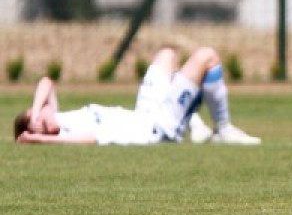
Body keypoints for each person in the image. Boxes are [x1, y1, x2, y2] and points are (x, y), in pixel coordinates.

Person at [13, 46, 260, 145]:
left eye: (40, 111)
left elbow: (46, 82)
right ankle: (223, 128)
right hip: (160, 126)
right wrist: (40, 139)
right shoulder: (65, 134)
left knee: (166, 55)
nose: (44, 113)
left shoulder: (60, 116)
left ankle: (192, 122)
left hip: (145, 112)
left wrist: (35, 115)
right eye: (41, 121)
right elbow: (91, 139)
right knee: (206, 56)